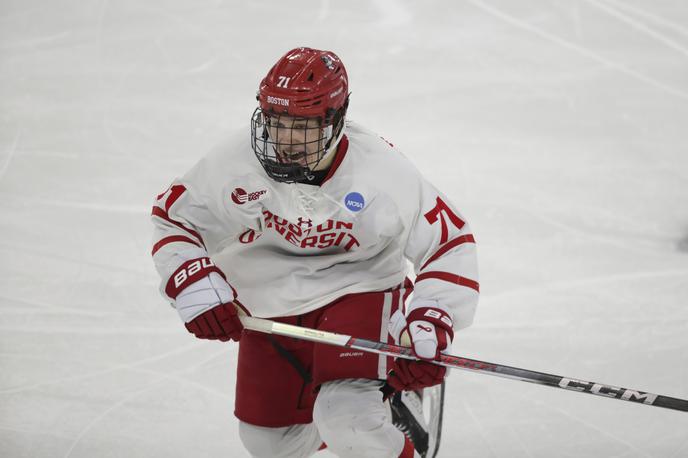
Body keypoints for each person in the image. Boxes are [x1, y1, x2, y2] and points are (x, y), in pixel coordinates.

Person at [151, 47, 479, 458]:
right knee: (270, 444)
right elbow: (173, 217)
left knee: (349, 421)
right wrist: (191, 278)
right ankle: (382, 401)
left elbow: (449, 241)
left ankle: (376, 405)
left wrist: (433, 312)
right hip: (267, 303)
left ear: (336, 119)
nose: (285, 141)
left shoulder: (381, 170)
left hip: (358, 287)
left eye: (302, 126)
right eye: (276, 122)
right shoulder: (233, 161)